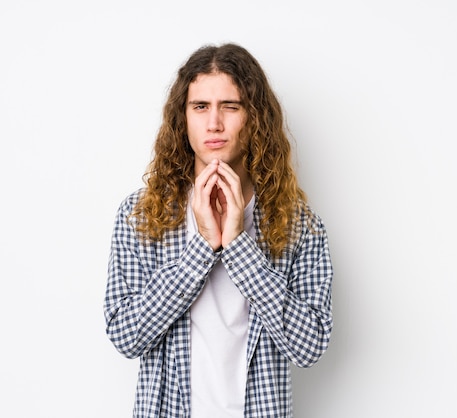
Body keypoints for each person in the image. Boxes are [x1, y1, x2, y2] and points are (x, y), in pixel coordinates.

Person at [103, 43, 333, 418]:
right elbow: (126, 336)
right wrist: (202, 249)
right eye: (200, 107)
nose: (214, 123)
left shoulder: (299, 226)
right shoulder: (140, 215)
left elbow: (310, 346)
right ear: (184, 119)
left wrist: (239, 247)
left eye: (231, 106)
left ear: (254, 117)